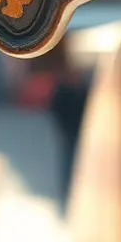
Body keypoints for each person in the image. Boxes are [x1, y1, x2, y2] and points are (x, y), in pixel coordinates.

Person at [49, 67, 90, 207]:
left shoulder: (76, 90)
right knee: (69, 160)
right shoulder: (65, 91)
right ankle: (68, 190)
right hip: (70, 131)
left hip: (74, 130)